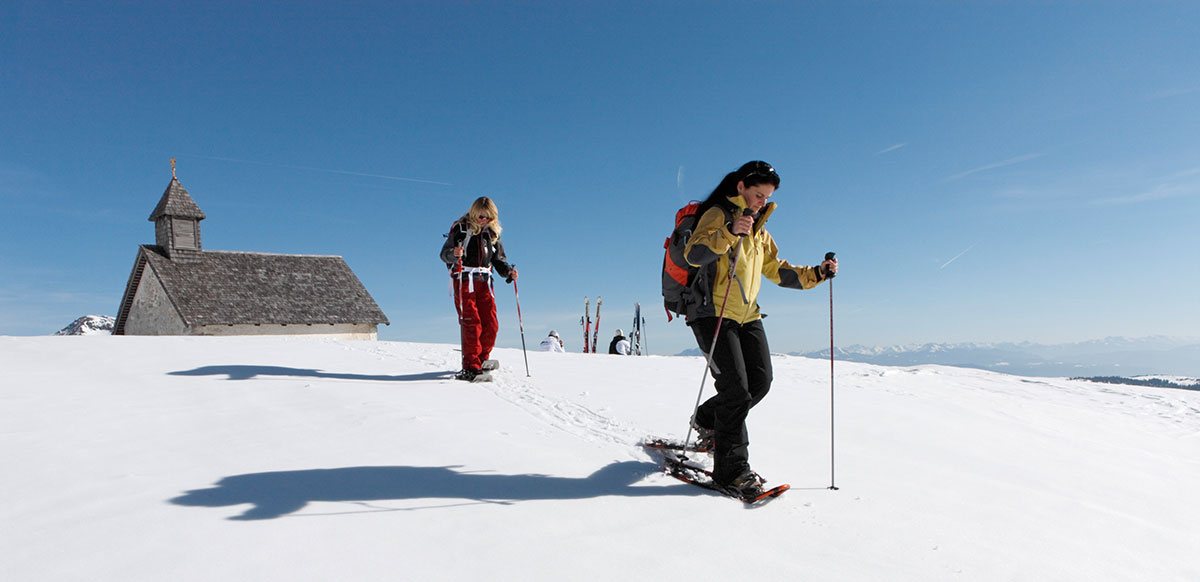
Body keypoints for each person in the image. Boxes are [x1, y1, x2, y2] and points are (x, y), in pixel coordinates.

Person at [682, 160, 838, 497]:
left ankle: (708, 420)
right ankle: (731, 472)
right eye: (757, 194)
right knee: (736, 390)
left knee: (760, 382)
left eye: (766, 197)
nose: (760, 202)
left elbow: (777, 271)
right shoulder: (719, 215)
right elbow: (694, 253)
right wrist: (728, 232)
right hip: (713, 313)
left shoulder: (759, 230)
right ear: (741, 188)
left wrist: (818, 273)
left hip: (748, 315)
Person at [439, 197, 517, 381]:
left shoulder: (492, 234)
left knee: (491, 323)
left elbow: (499, 260)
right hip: (465, 281)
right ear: (474, 213)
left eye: (489, 217)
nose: (485, 220)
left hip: (485, 281)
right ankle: (470, 366)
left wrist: (508, 272)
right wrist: (453, 254)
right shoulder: (461, 229)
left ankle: (481, 359)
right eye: (482, 216)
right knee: (471, 322)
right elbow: (444, 254)